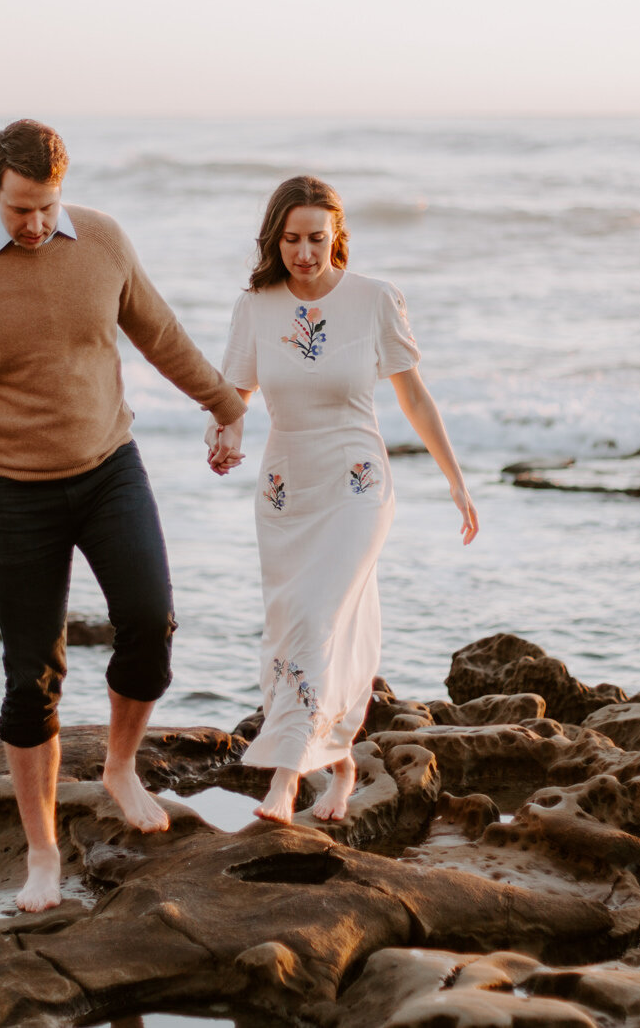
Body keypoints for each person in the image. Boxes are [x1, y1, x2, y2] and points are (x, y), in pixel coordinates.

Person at [0, 119, 247, 912]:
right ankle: (43, 852)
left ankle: (121, 765)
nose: (36, 223)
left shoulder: (102, 240)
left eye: (48, 205)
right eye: (22, 208)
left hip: (109, 472)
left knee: (151, 622)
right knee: (32, 678)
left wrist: (225, 404)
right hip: (16, 491)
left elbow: (157, 331)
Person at [208, 175, 477, 823]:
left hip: (358, 484)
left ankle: (283, 779)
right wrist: (225, 433)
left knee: (315, 613)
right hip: (284, 489)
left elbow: (413, 396)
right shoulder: (257, 305)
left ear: (338, 237)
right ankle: (341, 762)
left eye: (317, 239)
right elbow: (234, 392)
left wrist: (456, 478)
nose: (305, 252)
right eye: (293, 239)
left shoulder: (375, 299)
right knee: (294, 622)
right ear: (275, 240)